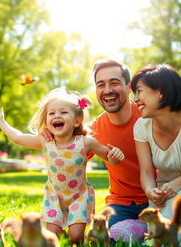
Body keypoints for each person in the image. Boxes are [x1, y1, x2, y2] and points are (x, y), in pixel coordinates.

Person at [0, 88, 124, 245]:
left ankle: (80, 236)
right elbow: (18, 138)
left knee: (75, 238)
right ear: (46, 121)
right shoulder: (45, 141)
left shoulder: (85, 142)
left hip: (78, 197)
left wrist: (115, 156)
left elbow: (109, 158)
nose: (57, 116)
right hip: (54, 197)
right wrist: (2, 123)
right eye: (51, 113)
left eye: (63, 112)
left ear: (76, 121)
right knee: (53, 237)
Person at [40, 59, 148, 243]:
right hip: (120, 203)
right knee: (103, 239)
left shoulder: (148, 114)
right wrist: (52, 133)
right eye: (101, 85)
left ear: (128, 86)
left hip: (157, 196)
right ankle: (137, 228)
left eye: (114, 83)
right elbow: (68, 157)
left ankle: (143, 228)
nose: (107, 90)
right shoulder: (92, 131)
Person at [131, 63, 181, 219]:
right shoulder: (141, 126)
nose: (136, 100)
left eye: (139, 91)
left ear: (161, 92)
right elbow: (146, 171)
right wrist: (150, 191)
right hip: (164, 195)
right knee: (158, 234)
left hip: (175, 190)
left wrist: (178, 183)